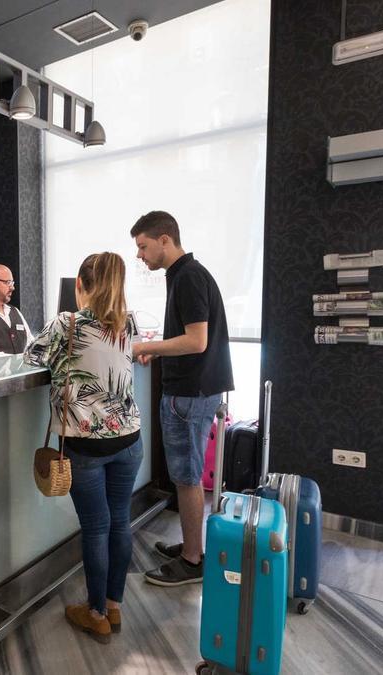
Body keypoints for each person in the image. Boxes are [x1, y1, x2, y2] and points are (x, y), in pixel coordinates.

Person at [24, 252, 142, 644]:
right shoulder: (128, 323)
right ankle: (113, 607)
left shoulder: (67, 322)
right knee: (119, 522)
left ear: (80, 284)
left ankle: (94, 614)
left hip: (86, 446)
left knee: (96, 527)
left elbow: (31, 359)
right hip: (129, 440)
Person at [129, 211, 234, 587]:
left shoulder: (188, 277)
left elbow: (197, 340)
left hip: (189, 394)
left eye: (142, 246)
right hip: (194, 390)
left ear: (164, 240)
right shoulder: (186, 274)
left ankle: (193, 561)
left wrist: (148, 345)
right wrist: (158, 351)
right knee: (184, 476)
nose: (140, 255)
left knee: (187, 478)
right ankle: (193, 546)